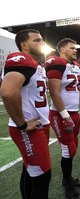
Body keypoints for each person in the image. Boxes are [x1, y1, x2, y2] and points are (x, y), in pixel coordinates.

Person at [0, 29, 51, 198]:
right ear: (24, 45)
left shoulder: (36, 64)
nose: (42, 43)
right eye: (37, 40)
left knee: (31, 171)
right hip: (30, 129)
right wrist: (22, 123)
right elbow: (7, 92)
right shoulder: (21, 59)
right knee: (42, 177)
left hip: (39, 125)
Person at [45, 38, 80, 199]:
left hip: (73, 111)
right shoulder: (56, 62)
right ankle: (68, 186)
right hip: (60, 113)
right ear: (62, 50)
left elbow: (79, 89)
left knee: (74, 145)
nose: (76, 50)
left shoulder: (75, 66)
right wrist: (64, 116)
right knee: (68, 148)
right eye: (72, 48)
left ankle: (68, 178)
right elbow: (54, 92)